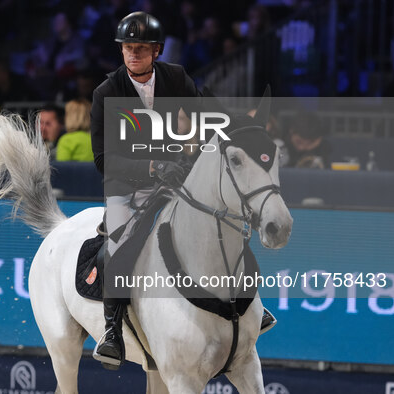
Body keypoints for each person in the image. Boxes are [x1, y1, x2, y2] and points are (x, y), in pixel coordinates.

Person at [91, 11, 276, 371]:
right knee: (119, 242)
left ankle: (250, 303)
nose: (134, 54)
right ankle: (112, 331)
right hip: (126, 187)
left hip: (176, 180)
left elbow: (205, 119)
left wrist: (238, 126)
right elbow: (103, 159)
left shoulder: (176, 77)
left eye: (141, 49)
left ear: (157, 50)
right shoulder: (106, 93)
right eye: (128, 48)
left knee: (228, 219)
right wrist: (151, 165)